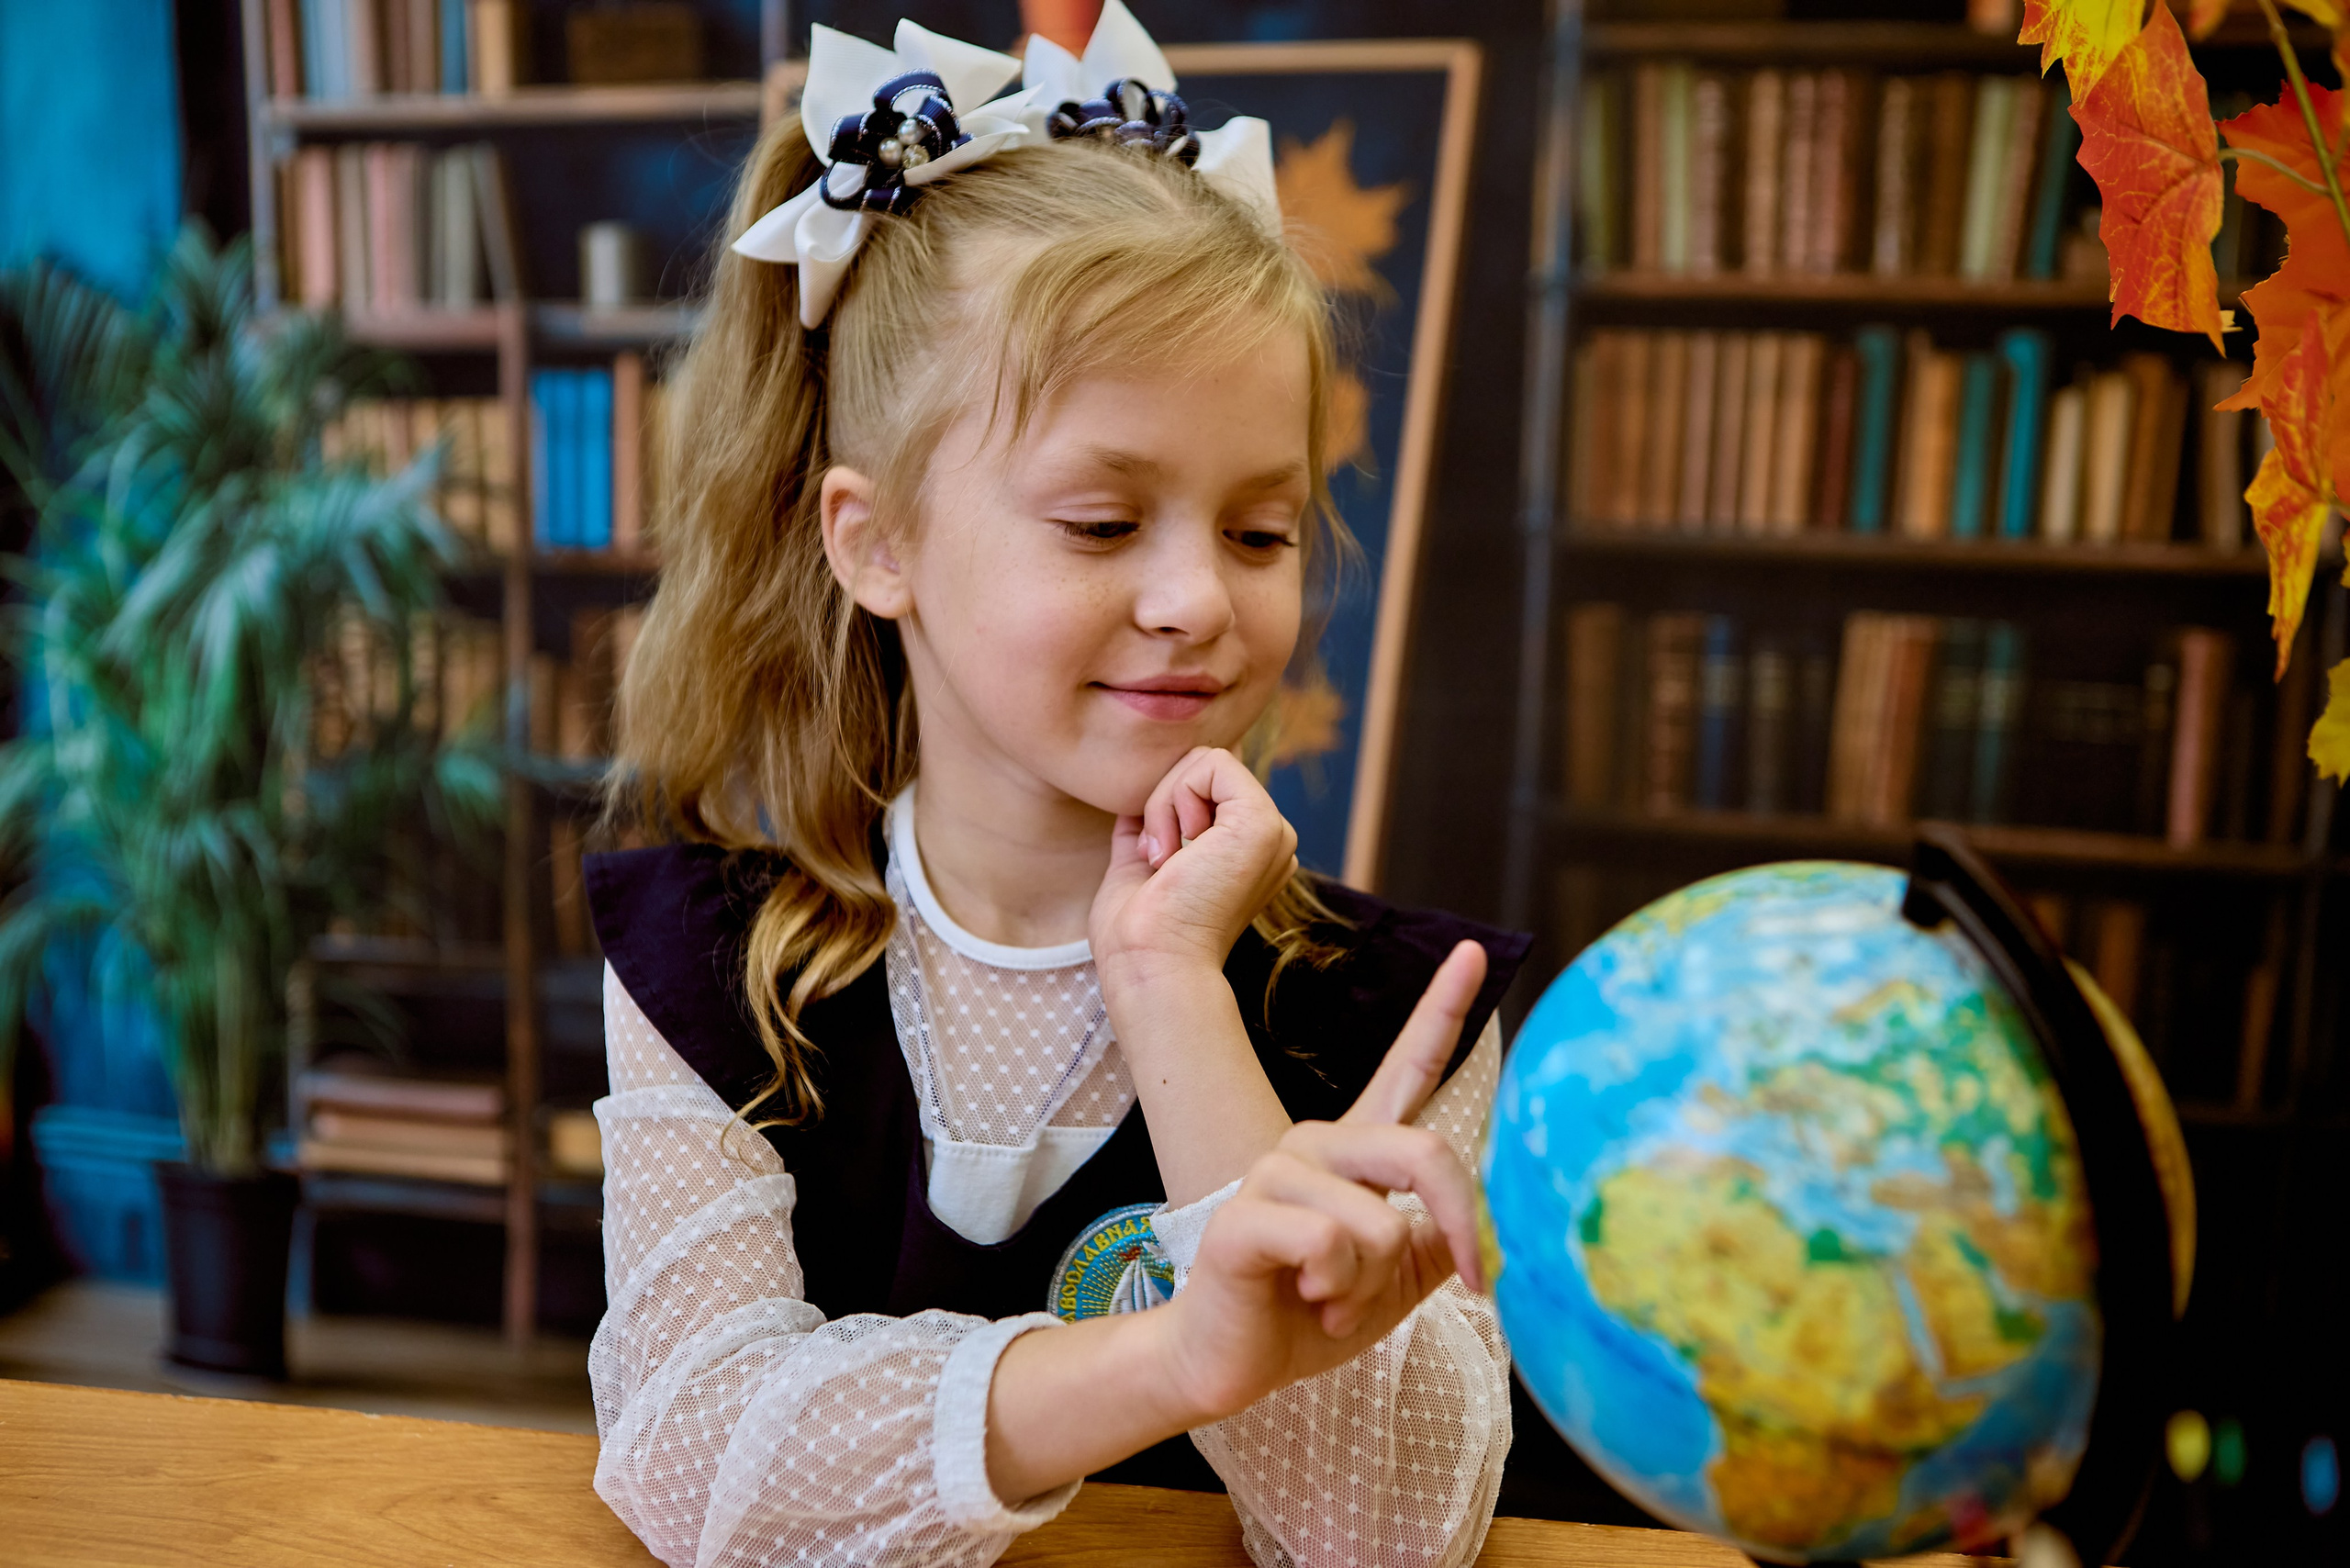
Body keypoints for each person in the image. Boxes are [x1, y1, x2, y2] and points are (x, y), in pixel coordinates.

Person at [582, 7, 1528, 1564]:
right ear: (873, 543)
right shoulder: (711, 965)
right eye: (1101, 525)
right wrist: (1171, 1357)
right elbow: (694, 1452)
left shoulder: (1398, 1016)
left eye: (1259, 531)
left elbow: (1386, 1538)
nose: (1197, 602)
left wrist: (1170, 993)